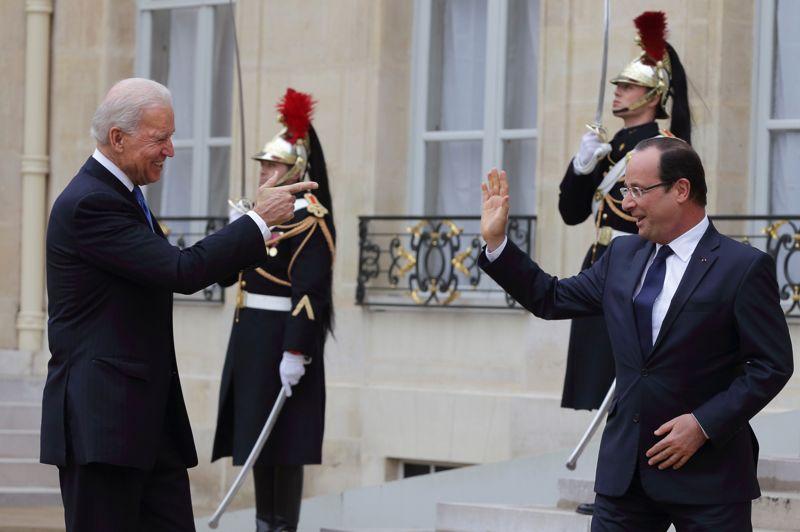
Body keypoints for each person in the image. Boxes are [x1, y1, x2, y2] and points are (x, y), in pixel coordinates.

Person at [40, 78, 318, 532]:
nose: (170, 150)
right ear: (118, 138)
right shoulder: (91, 203)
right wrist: (253, 221)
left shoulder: (124, 197)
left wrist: (254, 233)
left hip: (147, 427)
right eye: (160, 138)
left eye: (171, 137)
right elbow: (181, 272)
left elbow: (176, 268)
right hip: (103, 427)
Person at [480, 137, 793, 531]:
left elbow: (772, 365)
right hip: (624, 478)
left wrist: (703, 424)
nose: (626, 203)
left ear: (681, 190)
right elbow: (551, 298)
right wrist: (497, 244)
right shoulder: (622, 257)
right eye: (626, 190)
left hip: (710, 478)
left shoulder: (743, 268)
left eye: (638, 191)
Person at [211, 89, 335, 532]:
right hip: (251, 339)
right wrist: (236, 236)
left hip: (282, 340)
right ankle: (265, 524)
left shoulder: (307, 219)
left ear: (296, 169)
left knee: (284, 443)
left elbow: (310, 293)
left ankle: (282, 526)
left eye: (274, 165)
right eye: (263, 164)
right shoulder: (256, 217)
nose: (264, 171)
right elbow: (225, 277)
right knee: (257, 443)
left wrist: (296, 351)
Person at [559, 11, 691, 414]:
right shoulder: (613, 144)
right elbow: (571, 212)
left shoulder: (660, 145)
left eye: (628, 85)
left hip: (638, 263)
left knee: (626, 378)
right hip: (601, 262)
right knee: (598, 376)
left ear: (653, 95)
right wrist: (582, 167)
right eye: (618, 84)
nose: (617, 91)